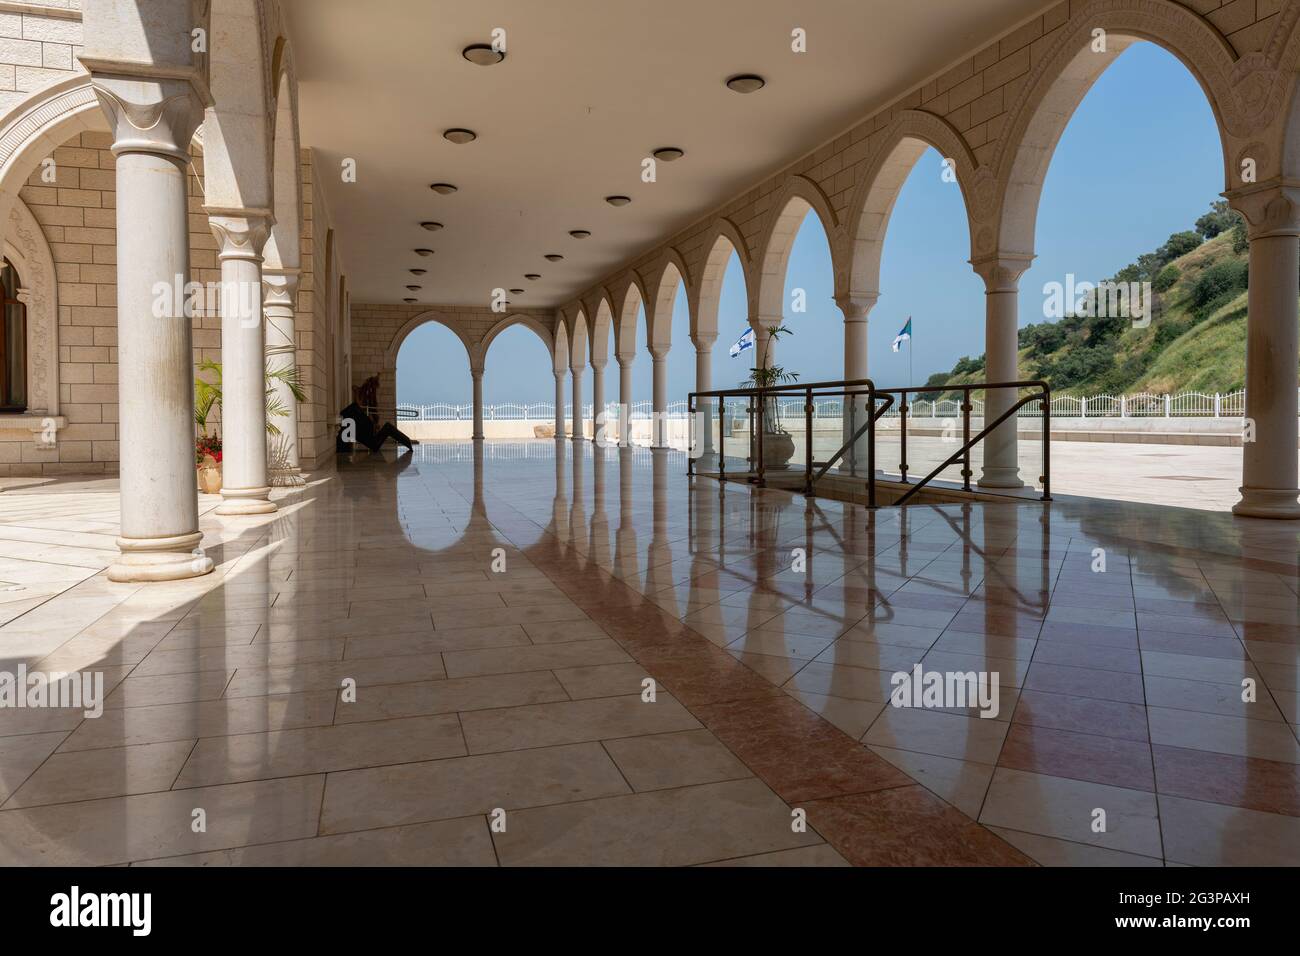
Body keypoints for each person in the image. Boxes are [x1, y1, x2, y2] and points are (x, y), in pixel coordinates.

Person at [338, 375, 418, 453]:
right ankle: (407, 441)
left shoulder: (352, 416)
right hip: (372, 442)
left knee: (387, 428)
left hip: (370, 439)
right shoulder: (353, 416)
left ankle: (407, 441)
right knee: (387, 428)